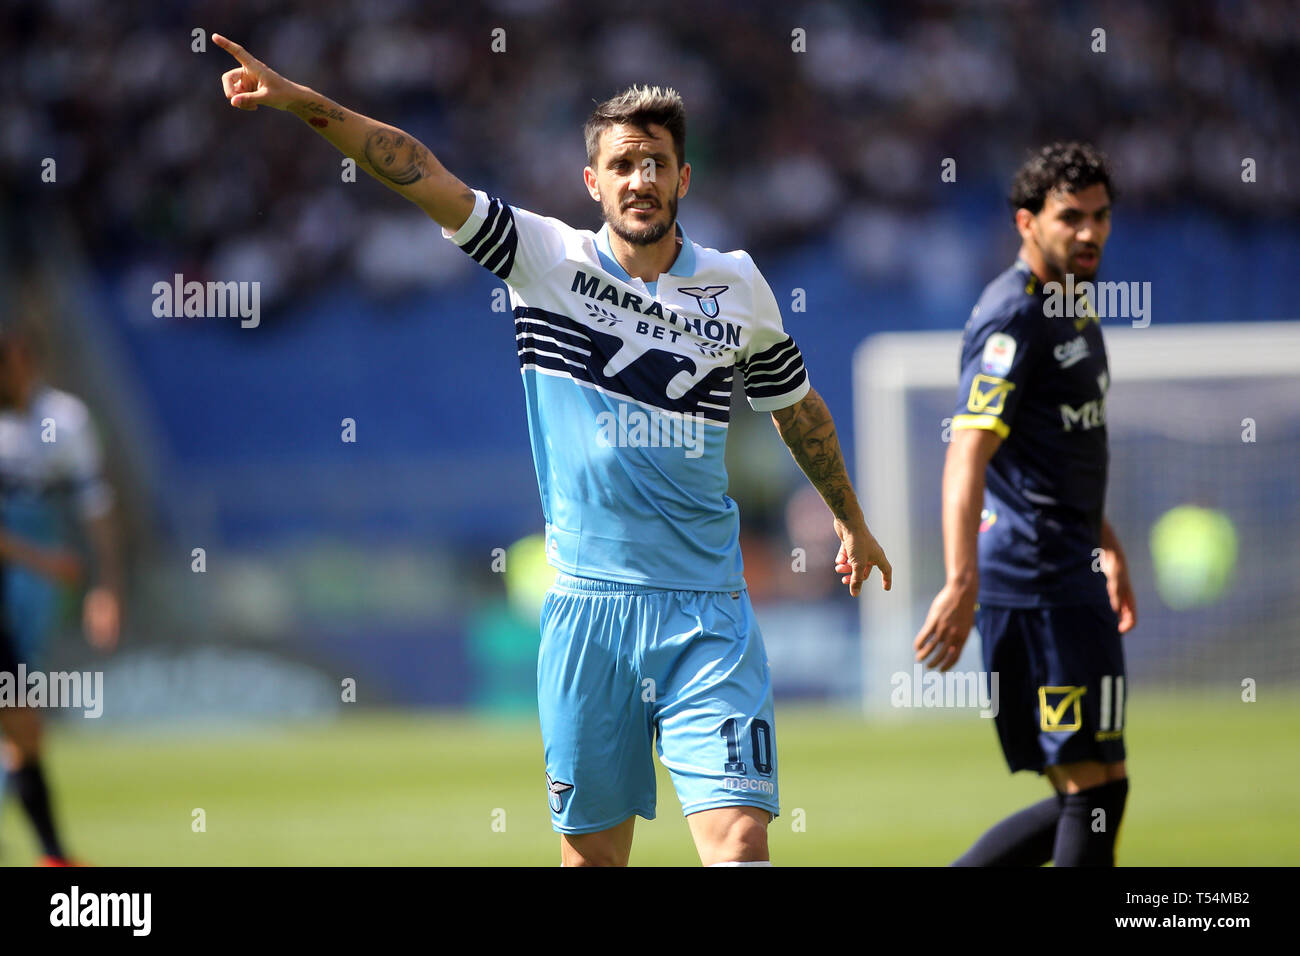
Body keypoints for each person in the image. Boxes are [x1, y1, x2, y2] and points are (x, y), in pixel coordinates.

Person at [213, 33, 891, 867]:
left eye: (658, 163)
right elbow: (417, 169)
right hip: (587, 614)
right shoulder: (546, 261)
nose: (641, 178)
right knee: (594, 859)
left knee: (740, 840)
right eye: (624, 163)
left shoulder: (739, 287)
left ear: (684, 178)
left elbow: (798, 411)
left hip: (708, 610)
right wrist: (299, 101)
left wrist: (849, 521)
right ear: (593, 182)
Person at [913, 142, 1137, 866]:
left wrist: (1106, 541)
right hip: (1035, 584)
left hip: (1071, 571)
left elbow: (1059, 453)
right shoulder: (1013, 317)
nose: (1090, 233)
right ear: (1026, 222)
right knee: (1091, 794)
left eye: (1100, 216)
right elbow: (967, 451)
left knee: (1102, 793)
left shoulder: (1072, 305)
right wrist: (959, 580)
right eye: (1071, 217)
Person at [0, 318, 122, 865]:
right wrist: (45, 560)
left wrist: (106, 586)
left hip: (28, 595)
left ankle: (52, 856)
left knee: (22, 719)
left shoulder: (65, 421)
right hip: (30, 575)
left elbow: (96, 506)